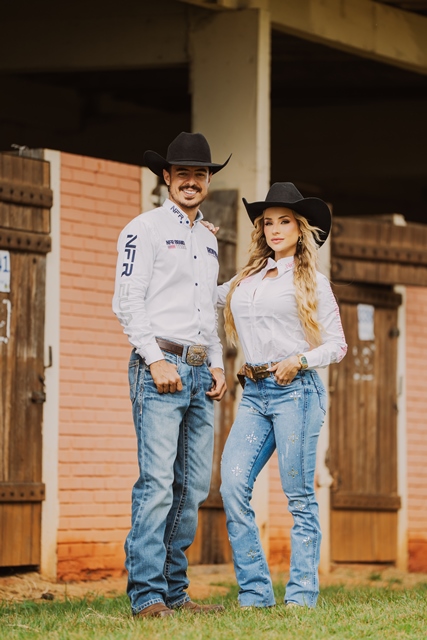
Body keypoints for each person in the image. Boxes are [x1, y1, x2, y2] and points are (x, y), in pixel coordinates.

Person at [112, 132, 230, 618]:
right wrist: (154, 359)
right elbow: (127, 301)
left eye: (200, 174)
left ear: (208, 181)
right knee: (158, 483)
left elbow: (207, 310)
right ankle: (146, 595)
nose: (191, 181)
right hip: (159, 365)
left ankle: (175, 593)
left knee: (194, 487)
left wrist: (217, 361)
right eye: (183, 173)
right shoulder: (143, 228)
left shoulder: (208, 238)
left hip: (200, 371)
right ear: (166, 177)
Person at [218, 182, 347, 609]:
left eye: (284, 222)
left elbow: (338, 345)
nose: (274, 229)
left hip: (297, 392)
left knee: (298, 496)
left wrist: (300, 360)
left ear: (299, 228)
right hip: (254, 393)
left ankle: (301, 596)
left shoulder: (313, 282)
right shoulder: (245, 280)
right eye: (268, 222)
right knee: (232, 485)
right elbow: (205, 298)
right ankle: (256, 593)